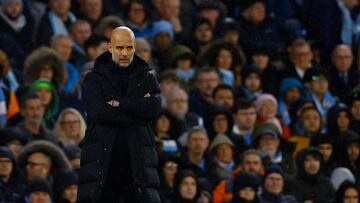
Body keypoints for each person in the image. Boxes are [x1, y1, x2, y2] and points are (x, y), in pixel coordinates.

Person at [78, 26, 161, 203]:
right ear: (110, 48)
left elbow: (153, 108)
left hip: (138, 169)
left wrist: (118, 103)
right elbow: (98, 112)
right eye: (119, 48)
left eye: (129, 48)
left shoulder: (146, 77)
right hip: (103, 168)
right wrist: (136, 111)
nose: (124, 53)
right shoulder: (93, 78)